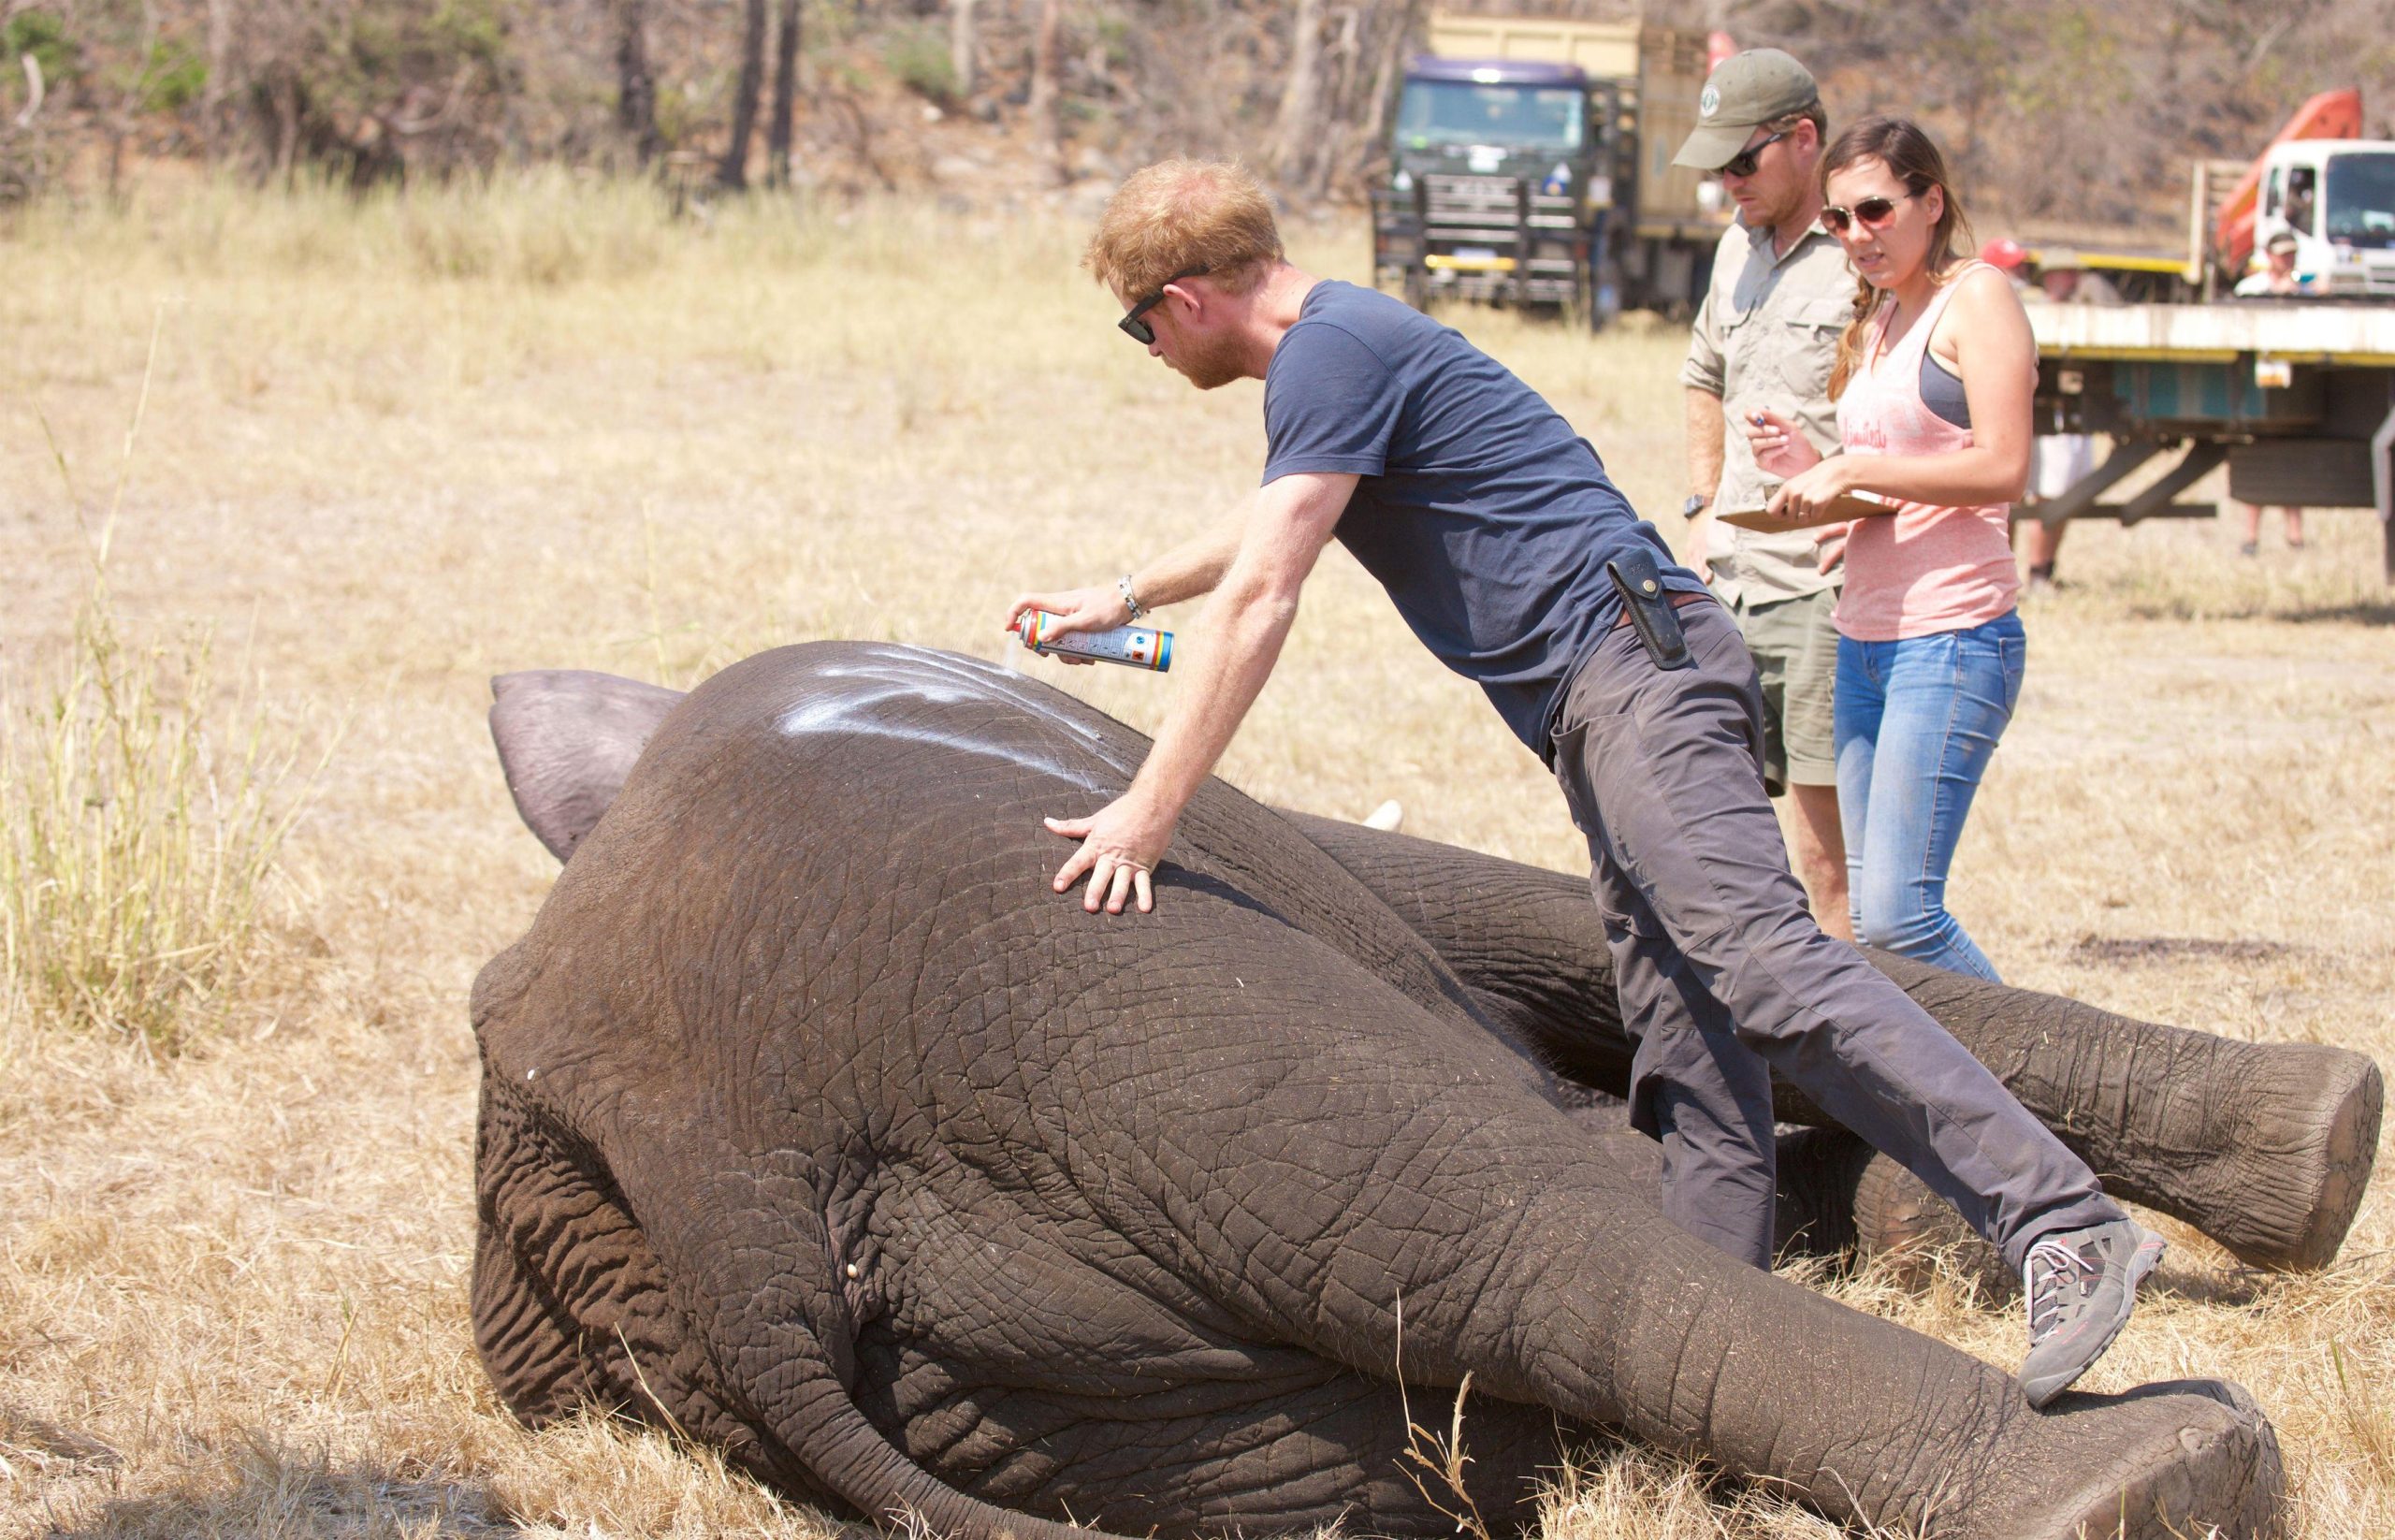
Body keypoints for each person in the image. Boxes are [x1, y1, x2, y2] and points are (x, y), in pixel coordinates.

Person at [1012, 155, 2159, 1409]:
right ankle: (1712, 1352)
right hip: (1605, 694)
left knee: (1763, 962)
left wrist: (1152, 808)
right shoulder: (1336, 348)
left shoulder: (1329, 351)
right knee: (1684, 1024)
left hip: (1637, 674)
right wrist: (1122, 598)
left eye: (1138, 325)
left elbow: (1266, 589)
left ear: (1183, 299)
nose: (1147, 351)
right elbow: (1277, 520)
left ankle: (2063, 1220)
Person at [1746, 115, 2036, 989]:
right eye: (1837, 220)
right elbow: (1918, 479)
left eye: (1873, 211)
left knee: (1903, 917)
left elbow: (2004, 466)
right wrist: (1824, 483)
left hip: (1951, 641)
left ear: (1930, 200)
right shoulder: (1879, 320)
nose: (1855, 236)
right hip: (1866, 638)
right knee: (1871, 921)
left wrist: (1858, 466)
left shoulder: (1975, 298)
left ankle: (2050, 1085)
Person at [1673, 50, 1853, 940]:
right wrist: (1703, 508)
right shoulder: (1734, 249)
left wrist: (1863, 506)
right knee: (1727, 845)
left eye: (1742, 162)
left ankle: (1857, 1064)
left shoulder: (1865, 251)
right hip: (1730, 583)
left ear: (1805, 140)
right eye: (1716, 167)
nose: (1727, 183)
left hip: (1822, 592)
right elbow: (1702, 374)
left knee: (1832, 863)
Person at [2230, 234, 2315, 556]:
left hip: (2294, 387)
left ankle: (2295, 535)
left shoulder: (2304, 291)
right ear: (2268, 256)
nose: (2287, 261)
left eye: (2292, 255)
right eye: (2282, 255)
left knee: (2290, 461)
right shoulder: (2251, 289)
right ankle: (2250, 536)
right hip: (2257, 387)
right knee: (2259, 460)